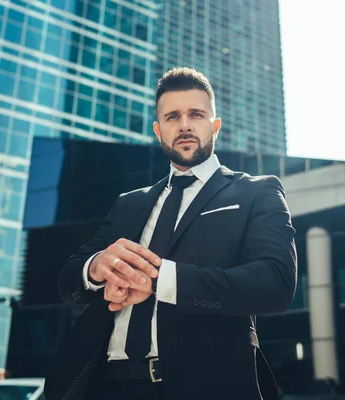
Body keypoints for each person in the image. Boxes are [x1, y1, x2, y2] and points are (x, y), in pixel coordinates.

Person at [44, 67, 297, 400]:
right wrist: (95, 267)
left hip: (205, 388)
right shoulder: (128, 204)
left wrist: (158, 281)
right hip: (106, 386)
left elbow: (275, 283)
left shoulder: (256, 192)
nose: (185, 125)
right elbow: (68, 281)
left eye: (196, 114)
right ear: (158, 130)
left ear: (214, 125)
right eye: (172, 116)